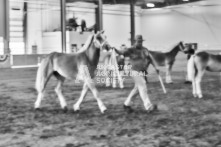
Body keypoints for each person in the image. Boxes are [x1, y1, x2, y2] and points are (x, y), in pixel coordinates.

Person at [115, 35, 158, 113]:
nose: (140, 43)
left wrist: (156, 67)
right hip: (133, 70)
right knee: (143, 85)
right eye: (138, 41)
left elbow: (150, 58)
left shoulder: (145, 50)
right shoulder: (131, 49)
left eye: (141, 41)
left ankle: (127, 104)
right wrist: (114, 49)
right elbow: (121, 52)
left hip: (141, 71)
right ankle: (148, 106)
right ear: (135, 41)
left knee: (137, 89)